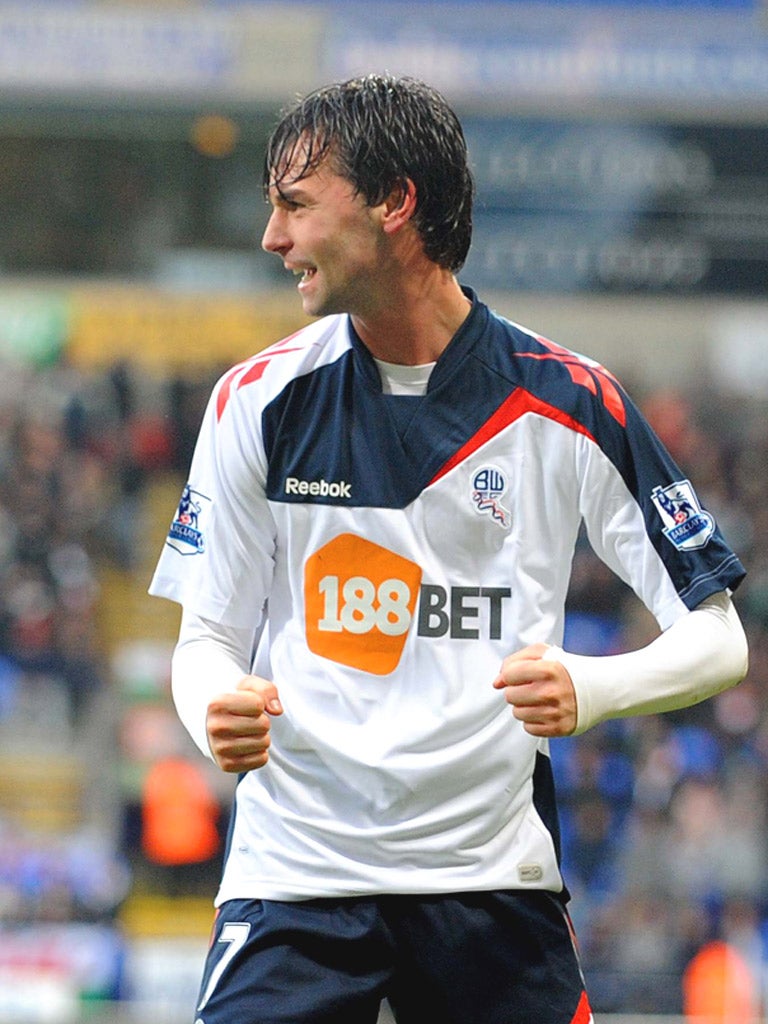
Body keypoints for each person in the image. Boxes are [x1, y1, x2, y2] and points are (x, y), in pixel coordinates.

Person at [149, 74, 748, 1024]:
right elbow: (205, 640)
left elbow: (719, 639)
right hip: (295, 882)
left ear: (395, 204)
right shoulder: (253, 400)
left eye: (296, 206)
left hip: (492, 887)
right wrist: (209, 705)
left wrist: (593, 690)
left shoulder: (571, 402)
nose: (273, 239)